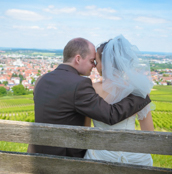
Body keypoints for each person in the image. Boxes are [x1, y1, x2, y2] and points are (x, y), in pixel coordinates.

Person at [27, 37, 151, 158]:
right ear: (78, 59)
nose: (93, 66)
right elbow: (110, 114)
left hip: (38, 155)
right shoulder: (80, 84)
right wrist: (142, 95)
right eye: (92, 61)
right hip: (66, 160)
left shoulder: (41, 80)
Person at [84, 35, 155, 166]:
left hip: (99, 155)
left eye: (97, 61)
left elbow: (86, 127)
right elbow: (149, 132)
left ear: (105, 63)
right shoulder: (138, 90)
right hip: (135, 157)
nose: (95, 66)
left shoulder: (91, 89)